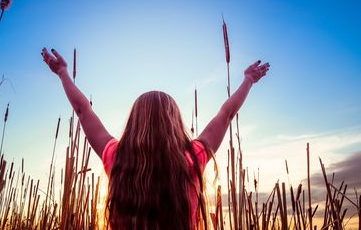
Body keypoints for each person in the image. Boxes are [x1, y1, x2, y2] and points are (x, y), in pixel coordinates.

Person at [41, 47, 269, 230]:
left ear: (135, 121)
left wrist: (63, 73)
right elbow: (226, 115)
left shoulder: (117, 157)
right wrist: (248, 80)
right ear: (174, 121)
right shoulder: (193, 157)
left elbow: (83, 111)